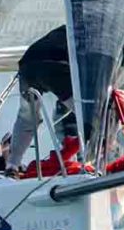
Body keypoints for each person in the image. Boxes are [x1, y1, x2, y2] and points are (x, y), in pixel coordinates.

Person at [7, 25, 78, 174]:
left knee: (27, 117)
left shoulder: (73, 26)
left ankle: (12, 166)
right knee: (91, 115)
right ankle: (86, 163)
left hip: (27, 67)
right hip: (54, 66)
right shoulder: (99, 35)